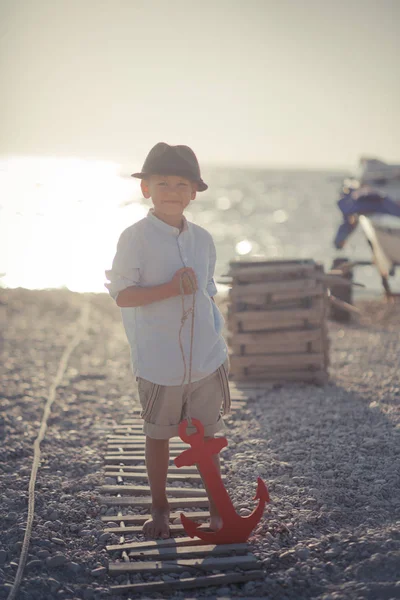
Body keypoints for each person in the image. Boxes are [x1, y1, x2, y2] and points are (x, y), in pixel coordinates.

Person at [105, 142, 230, 539]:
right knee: (158, 436)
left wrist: (216, 338)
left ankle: (218, 509)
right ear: (146, 189)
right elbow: (123, 295)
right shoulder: (135, 238)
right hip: (159, 361)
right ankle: (160, 509)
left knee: (208, 437)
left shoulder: (204, 240)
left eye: (182, 184)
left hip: (206, 358)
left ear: (194, 192)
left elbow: (208, 292)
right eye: (163, 183)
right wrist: (170, 288)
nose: (173, 191)